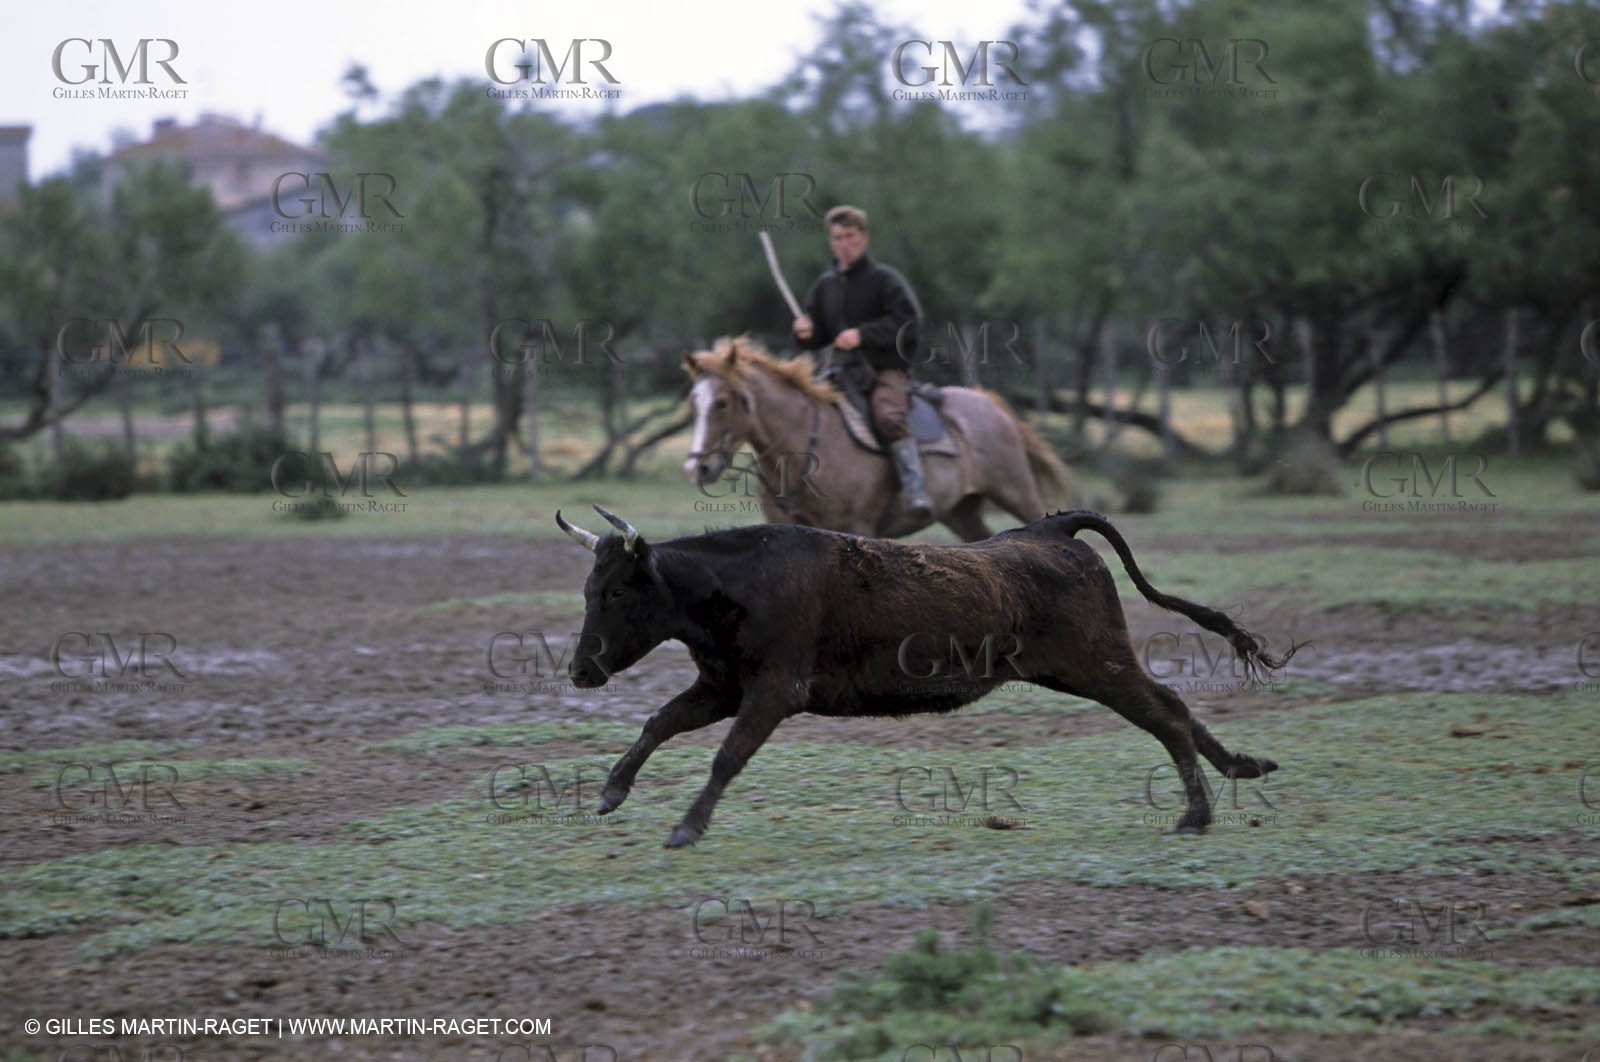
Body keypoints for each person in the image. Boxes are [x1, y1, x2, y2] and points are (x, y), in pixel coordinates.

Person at [792, 204, 931, 520]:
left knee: (888, 417)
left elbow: (909, 323)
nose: (844, 244)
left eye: (850, 236)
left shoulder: (885, 280)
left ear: (864, 238)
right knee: (806, 416)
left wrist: (863, 335)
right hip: (839, 372)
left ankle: (915, 489)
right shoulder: (824, 285)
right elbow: (817, 335)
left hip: (885, 370)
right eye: (837, 237)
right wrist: (804, 332)